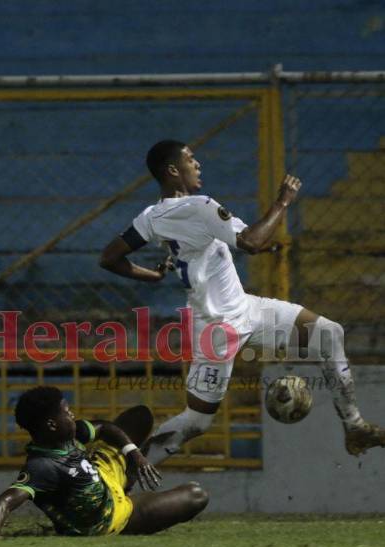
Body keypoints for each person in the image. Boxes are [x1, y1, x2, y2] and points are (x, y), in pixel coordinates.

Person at [99, 139, 385, 464]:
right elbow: (250, 242)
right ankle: (124, 471)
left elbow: (110, 258)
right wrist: (283, 202)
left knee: (328, 333)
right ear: (173, 170)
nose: (198, 165)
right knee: (197, 420)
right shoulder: (200, 205)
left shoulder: (152, 216)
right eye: (191, 159)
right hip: (217, 329)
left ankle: (355, 427)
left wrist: (152, 275)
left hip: (245, 308)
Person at [0, 386, 209, 538]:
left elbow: (104, 427)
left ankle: (129, 474)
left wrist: (134, 454)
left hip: (103, 474)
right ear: (52, 424)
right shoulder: (42, 466)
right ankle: (130, 485)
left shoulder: (71, 434)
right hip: (114, 515)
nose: (72, 415)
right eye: (67, 412)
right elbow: (5, 501)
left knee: (140, 416)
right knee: (197, 494)